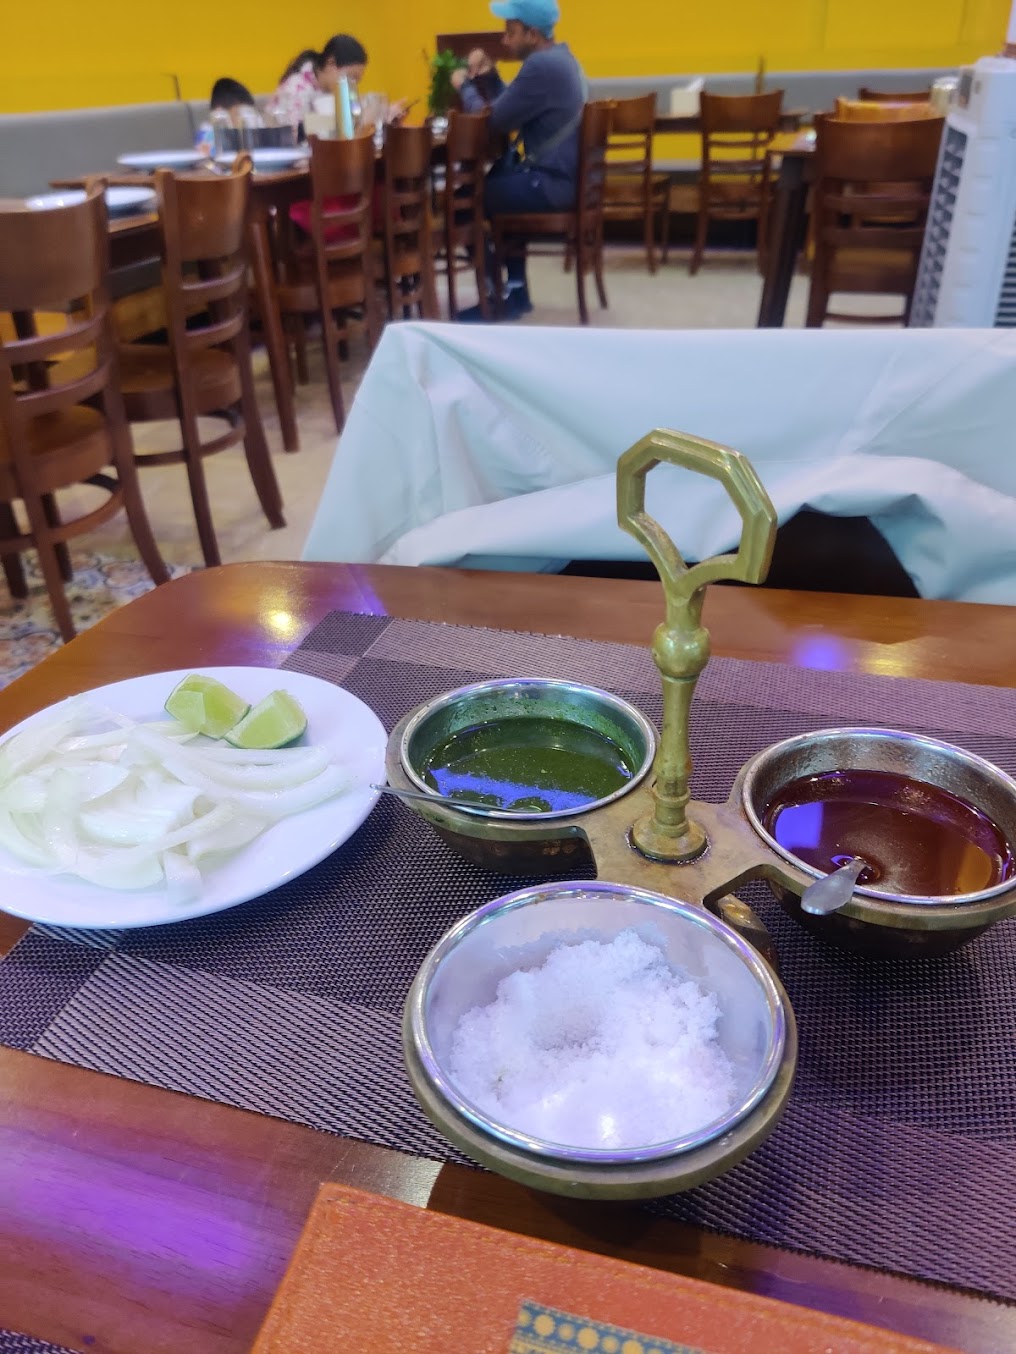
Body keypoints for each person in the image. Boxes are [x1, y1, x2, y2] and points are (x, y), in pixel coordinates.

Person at [452, 0, 586, 320]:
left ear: (533, 34)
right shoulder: (562, 60)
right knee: (500, 189)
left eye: (511, 33)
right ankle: (515, 293)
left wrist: (465, 86)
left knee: (462, 202)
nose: (504, 40)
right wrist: (491, 77)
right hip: (565, 180)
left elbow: (491, 121)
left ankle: (497, 297)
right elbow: (512, 106)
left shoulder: (541, 66)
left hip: (551, 183)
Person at [267, 35, 369, 130]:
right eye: (350, 77)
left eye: (356, 81)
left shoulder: (331, 90)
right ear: (331, 63)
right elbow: (295, 134)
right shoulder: (297, 89)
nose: (352, 86)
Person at [194, 78, 262, 154]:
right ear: (220, 113)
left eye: (249, 114)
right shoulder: (207, 134)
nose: (246, 121)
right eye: (241, 114)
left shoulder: (249, 134)